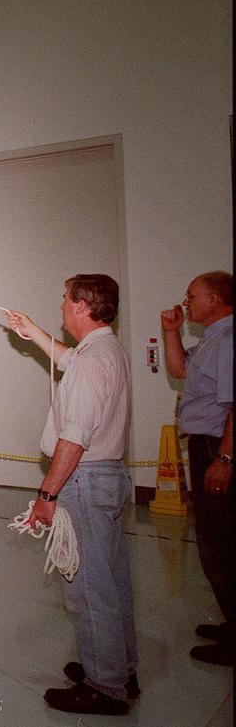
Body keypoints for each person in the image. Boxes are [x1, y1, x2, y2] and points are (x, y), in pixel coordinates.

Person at [7, 274, 137, 716]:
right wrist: (34, 332)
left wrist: (47, 494)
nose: (61, 306)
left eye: (65, 300)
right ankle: (120, 667)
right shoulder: (105, 349)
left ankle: (106, 687)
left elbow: (74, 439)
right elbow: (69, 361)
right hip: (107, 477)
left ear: (82, 306)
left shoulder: (90, 362)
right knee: (111, 581)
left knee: (88, 588)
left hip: (83, 480)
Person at [161, 270, 234, 667]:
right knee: (214, 543)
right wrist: (171, 331)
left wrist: (224, 460)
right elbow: (180, 371)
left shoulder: (229, 339)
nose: (186, 302)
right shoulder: (212, 337)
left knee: (220, 546)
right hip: (207, 447)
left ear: (216, 298)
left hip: (218, 450)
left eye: (192, 296)